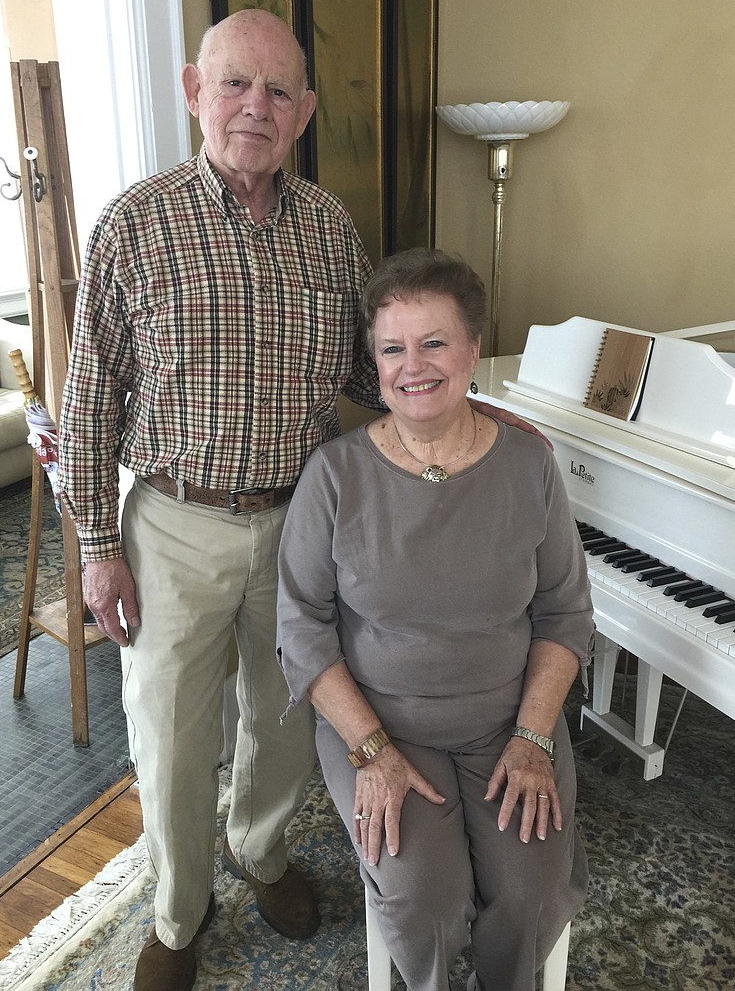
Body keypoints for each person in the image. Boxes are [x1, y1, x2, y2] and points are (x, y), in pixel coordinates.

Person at [60, 11, 542, 991]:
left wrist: (477, 418)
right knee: (169, 734)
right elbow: (87, 396)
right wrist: (94, 543)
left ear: (304, 112)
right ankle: (177, 912)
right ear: (196, 90)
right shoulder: (134, 222)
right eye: (235, 84)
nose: (256, 108)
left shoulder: (328, 229)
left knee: (283, 722)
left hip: (299, 521)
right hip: (172, 524)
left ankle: (262, 850)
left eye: (278, 92)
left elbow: (377, 372)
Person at [276, 248, 595, 991]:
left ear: (473, 349)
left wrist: (533, 736)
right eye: (392, 348)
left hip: (509, 725)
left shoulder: (528, 465)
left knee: (532, 892)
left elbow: (564, 610)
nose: (411, 365)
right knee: (429, 901)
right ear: (375, 362)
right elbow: (301, 628)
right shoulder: (336, 474)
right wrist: (373, 753)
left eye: (434, 342)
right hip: (382, 730)